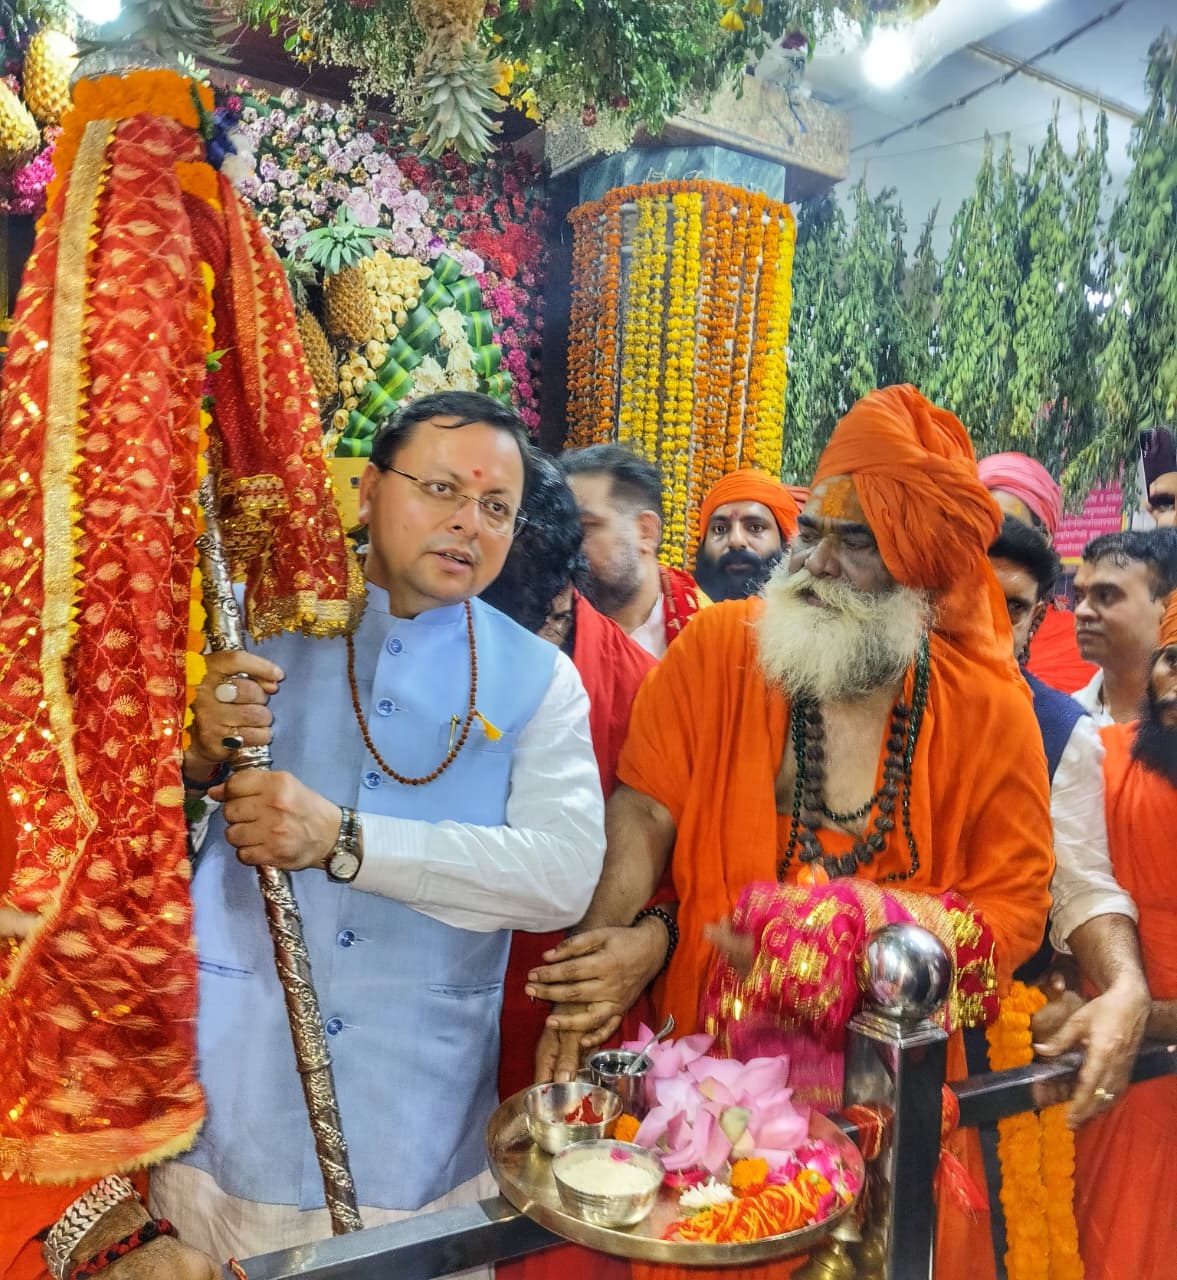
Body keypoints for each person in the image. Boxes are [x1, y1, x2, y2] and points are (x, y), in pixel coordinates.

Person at [532, 385, 1055, 1280]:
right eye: (809, 530)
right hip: (702, 1099)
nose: (812, 561)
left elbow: (1014, 914)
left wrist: (843, 932)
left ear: (920, 570)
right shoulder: (719, 649)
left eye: (854, 543)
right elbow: (646, 810)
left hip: (883, 1108)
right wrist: (598, 964)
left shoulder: (989, 714)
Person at [150, 392, 606, 1258]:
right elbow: (111, 837)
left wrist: (345, 842)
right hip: (230, 1104)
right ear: (366, 491)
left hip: (419, 1126)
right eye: (441, 489)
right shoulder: (243, 629)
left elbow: (560, 878)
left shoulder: (541, 680)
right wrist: (195, 756)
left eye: (496, 507)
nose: (467, 523)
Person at [482, 452, 650, 1280]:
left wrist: (652, 936)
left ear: (564, 591)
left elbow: (688, 864)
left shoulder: (645, 687)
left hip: (571, 1027)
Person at [1071, 592, 1177, 1280]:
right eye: (1172, 657)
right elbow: (1062, 901)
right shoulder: (1096, 761)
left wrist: (1145, 1017)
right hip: (1115, 1087)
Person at [560, 444, 703, 658]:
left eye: (586, 526)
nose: (567, 544)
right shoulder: (546, 630)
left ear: (645, 531)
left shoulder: (709, 632)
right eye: (563, 529)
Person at [978, 450, 1097, 693]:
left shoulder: (1077, 647)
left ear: (1045, 540)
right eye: (981, 525)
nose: (998, 540)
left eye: (1011, 527)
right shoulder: (930, 627)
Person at [1072, 529, 1177, 725]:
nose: (1081, 611)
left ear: (1166, 605)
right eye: (1079, 597)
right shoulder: (1062, 722)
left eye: (1104, 595)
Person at [692, 468, 800, 603]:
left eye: (756, 527)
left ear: (785, 540)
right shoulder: (676, 609)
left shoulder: (813, 612)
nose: (736, 541)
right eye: (720, 529)